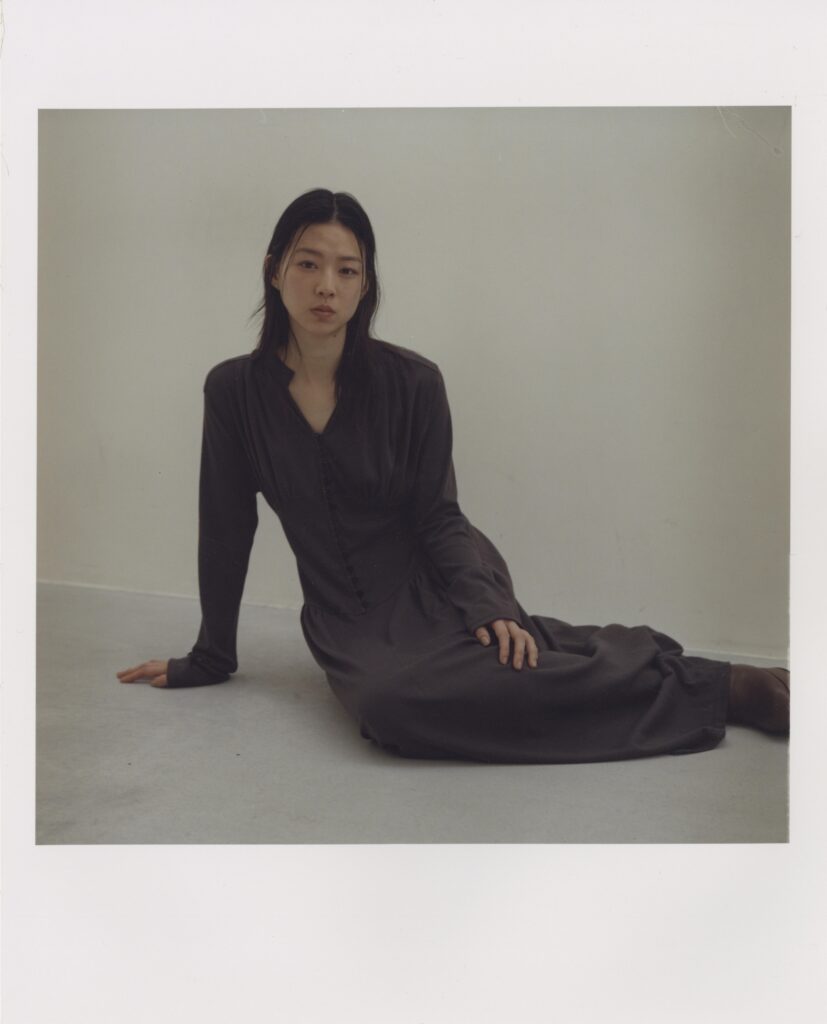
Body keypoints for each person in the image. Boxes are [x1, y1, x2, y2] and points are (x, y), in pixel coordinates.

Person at [117, 188, 790, 763]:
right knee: (391, 707)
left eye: (347, 270)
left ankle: (727, 689)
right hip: (346, 618)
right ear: (273, 270)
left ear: (365, 284)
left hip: (439, 575)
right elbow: (226, 527)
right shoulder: (233, 393)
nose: (327, 286)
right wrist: (211, 656)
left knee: (506, 662)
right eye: (309, 263)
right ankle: (639, 659)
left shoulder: (414, 383)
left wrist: (484, 605)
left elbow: (439, 516)